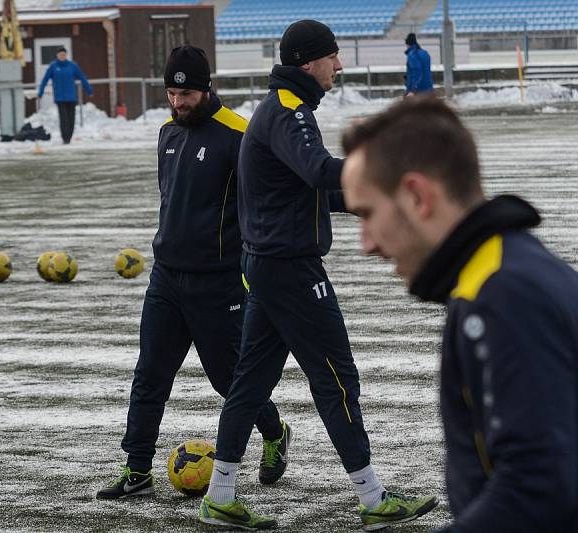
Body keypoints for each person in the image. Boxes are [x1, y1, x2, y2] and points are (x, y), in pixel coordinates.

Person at [198, 20, 438, 530]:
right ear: (309, 62)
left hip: (267, 267)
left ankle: (218, 494)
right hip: (290, 271)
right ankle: (373, 499)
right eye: (333, 57)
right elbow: (321, 172)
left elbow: (317, 191)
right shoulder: (289, 110)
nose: (340, 65)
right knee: (337, 379)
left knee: (250, 384)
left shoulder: (283, 109)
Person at [341, 96, 578, 532]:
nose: (366, 244)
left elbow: (540, 490)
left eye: (367, 214)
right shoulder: (509, 269)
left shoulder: (503, 297)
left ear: (416, 196)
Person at [96, 45, 289, 500]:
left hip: (218, 282)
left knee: (229, 380)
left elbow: (261, 206)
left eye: (187, 94)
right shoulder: (167, 133)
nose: (178, 102)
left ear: (207, 88)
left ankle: (275, 431)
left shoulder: (239, 136)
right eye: (171, 93)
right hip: (166, 277)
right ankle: (137, 468)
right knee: (150, 375)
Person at [36, 47, 92, 145]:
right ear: (57, 56)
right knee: (64, 119)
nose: (62, 56)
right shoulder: (53, 66)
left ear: (66, 55)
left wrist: (88, 90)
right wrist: (40, 92)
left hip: (71, 97)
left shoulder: (72, 66)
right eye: (60, 55)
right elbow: (45, 79)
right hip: (60, 97)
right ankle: (65, 138)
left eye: (64, 55)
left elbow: (82, 77)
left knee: (71, 119)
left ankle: (69, 137)